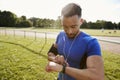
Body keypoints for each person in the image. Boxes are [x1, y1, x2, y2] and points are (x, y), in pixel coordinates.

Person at [45, 3, 104, 80]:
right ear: (61, 22)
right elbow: (51, 53)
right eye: (65, 27)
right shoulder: (60, 35)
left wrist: (62, 68)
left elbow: (97, 76)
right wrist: (55, 59)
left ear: (81, 21)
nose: (69, 31)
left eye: (73, 26)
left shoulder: (91, 42)